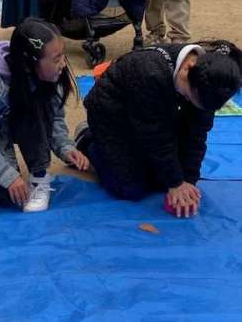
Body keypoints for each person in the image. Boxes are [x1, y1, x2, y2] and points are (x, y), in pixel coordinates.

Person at [75, 41, 242, 218]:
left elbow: (196, 135)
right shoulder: (149, 72)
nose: (189, 101)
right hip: (112, 117)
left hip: (154, 115)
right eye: (188, 96)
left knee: (163, 179)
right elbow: (155, 135)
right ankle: (87, 139)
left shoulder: (208, 84)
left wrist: (188, 180)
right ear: (188, 69)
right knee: (130, 188)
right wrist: (175, 183)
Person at [0, 17, 89, 212]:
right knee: (7, 194)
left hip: (18, 122)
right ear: (28, 63)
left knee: (36, 107)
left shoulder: (48, 76)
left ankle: (40, 177)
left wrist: (65, 147)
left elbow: (53, 117)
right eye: (56, 59)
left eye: (62, 55)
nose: (63, 64)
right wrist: (7, 176)